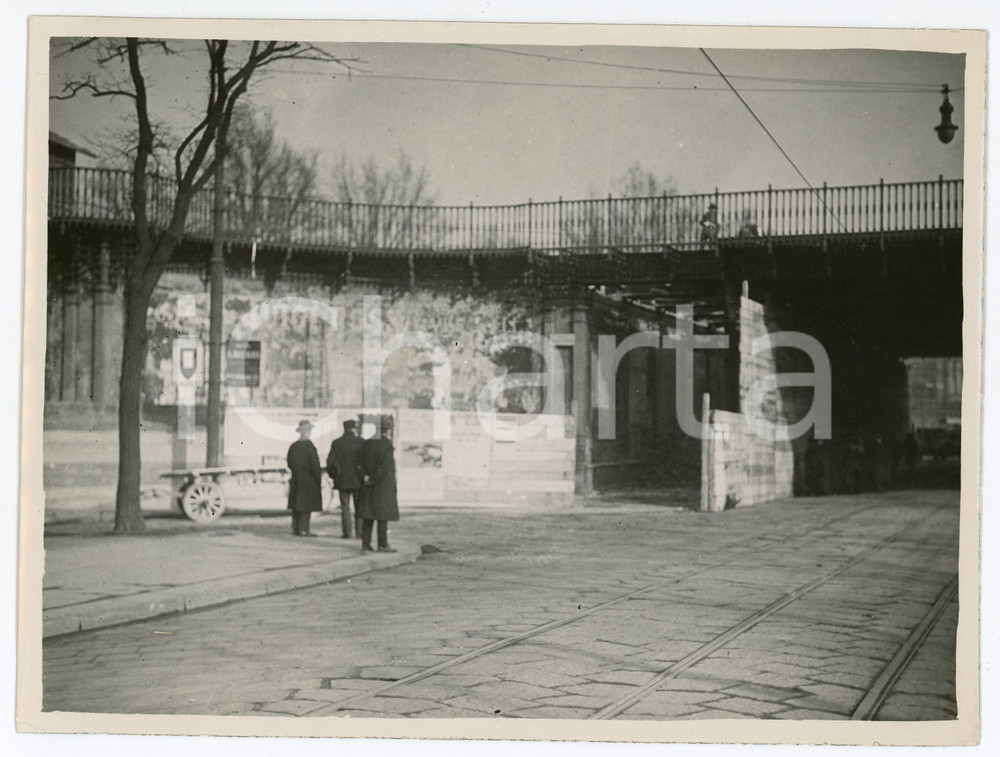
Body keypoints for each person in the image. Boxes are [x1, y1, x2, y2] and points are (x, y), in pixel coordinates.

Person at [355, 414, 400, 553]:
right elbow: (384, 467)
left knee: (368, 516)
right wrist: (374, 479)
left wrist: (365, 477)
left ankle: (365, 545)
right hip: (382, 486)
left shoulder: (366, 443)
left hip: (368, 486)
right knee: (382, 517)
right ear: (388, 430)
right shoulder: (386, 445)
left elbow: (358, 463)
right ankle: (383, 544)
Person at [327, 419, 363, 539]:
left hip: (342, 480)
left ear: (344, 428)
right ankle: (360, 533)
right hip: (358, 480)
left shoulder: (337, 443)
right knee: (359, 507)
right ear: (354, 428)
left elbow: (330, 463)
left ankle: (347, 533)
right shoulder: (361, 442)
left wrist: (334, 476)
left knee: (345, 507)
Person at [287, 419, 323, 536]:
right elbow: (315, 466)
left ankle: (295, 528)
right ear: (307, 432)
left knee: (296, 504)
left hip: (296, 479)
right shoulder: (310, 447)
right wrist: (318, 479)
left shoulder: (293, 447)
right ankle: (303, 529)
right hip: (309, 480)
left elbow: (289, 463)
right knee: (306, 506)